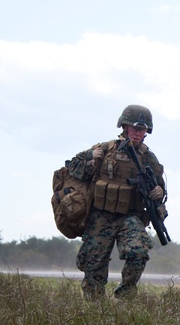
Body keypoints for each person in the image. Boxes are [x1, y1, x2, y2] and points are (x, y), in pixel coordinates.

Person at [67, 104, 167, 300]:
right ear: (124, 127)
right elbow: (73, 168)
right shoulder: (104, 149)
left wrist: (158, 191)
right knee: (93, 262)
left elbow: (159, 187)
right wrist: (90, 158)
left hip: (129, 217)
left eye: (143, 129)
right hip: (100, 216)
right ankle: (95, 308)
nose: (138, 133)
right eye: (135, 128)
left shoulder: (148, 158)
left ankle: (126, 298)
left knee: (138, 253)